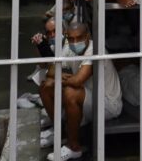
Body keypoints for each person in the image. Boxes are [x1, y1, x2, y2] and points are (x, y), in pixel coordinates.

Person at [39, 21, 122, 161]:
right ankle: (61, 134)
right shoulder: (69, 47)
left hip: (108, 104)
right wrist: (60, 76)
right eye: (71, 39)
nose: (75, 42)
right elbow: (51, 70)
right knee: (46, 87)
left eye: (79, 38)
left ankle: (74, 147)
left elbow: (77, 80)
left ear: (87, 36)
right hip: (88, 97)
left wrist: (59, 78)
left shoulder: (95, 49)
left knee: (71, 92)